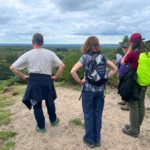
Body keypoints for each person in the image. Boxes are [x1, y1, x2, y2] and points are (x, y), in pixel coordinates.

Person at [10, 33, 65, 133]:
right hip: (47, 81)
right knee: (50, 101)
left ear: (32, 42)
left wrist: (23, 76)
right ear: (43, 42)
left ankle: (41, 127)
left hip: (33, 81)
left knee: (36, 105)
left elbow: (13, 67)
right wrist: (56, 77)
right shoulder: (51, 53)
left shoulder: (27, 54)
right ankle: (53, 120)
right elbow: (62, 66)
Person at [71, 36, 118, 148]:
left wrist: (80, 81)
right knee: (98, 114)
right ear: (98, 44)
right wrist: (105, 79)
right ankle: (97, 139)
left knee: (88, 114)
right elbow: (115, 69)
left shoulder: (85, 57)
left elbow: (73, 71)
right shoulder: (103, 57)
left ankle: (89, 139)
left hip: (88, 90)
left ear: (86, 45)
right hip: (100, 90)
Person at [121, 33, 150, 137]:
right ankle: (136, 126)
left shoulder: (133, 53)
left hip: (135, 82)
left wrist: (129, 49)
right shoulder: (147, 51)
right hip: (144, 81)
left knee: (133, 105)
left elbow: (123, 62)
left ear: (133, 43)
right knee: (141, 104)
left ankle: (134, 130)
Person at [117, 44, 130, 110]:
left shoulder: (130, 55)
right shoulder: (123, 55)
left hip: (127, 75)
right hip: (121, 74)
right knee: (122, 88)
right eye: (124, 48)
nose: (125, 49)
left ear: (129, 48)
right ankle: (124, 100)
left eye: (126, 48)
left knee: (127, 89)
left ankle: (128, 104)